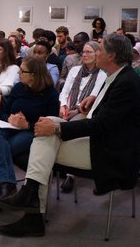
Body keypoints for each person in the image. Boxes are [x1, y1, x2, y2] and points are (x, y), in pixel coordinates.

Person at [0, 33, 140, 237]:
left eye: (100, 50)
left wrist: (57, 129)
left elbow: (101, 124)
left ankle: (32, 208)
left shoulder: (126, 82)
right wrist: (94, 98)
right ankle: (30, 198)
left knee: (44, 141)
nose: (95, 53)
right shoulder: (119, 76)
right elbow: (107, 113)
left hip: (109, 151)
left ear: (112, 56)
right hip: (103, 139)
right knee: (48, 122)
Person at [0, 57, 59, 219]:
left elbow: (52, 121)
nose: (19, 73)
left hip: (32, 132)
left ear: (34, 75)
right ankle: (8, 184)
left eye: (22, 71)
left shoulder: (50, 93)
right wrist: (10, 119)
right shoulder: (19, 88)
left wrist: (27, 124)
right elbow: (5, 111)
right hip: (11, 127)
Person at [58, 41, 107, 192]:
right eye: (84, 52)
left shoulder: (102, 74)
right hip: (67, 109)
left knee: (72, 128)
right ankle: (58, 161)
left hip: (85, 112)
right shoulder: (74, 70)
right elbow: (65, 91)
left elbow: (94, 96)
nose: (85, 55)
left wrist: (77, 111)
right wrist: (63, 105)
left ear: (97, 54)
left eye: (89, 52)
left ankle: (70, 174)